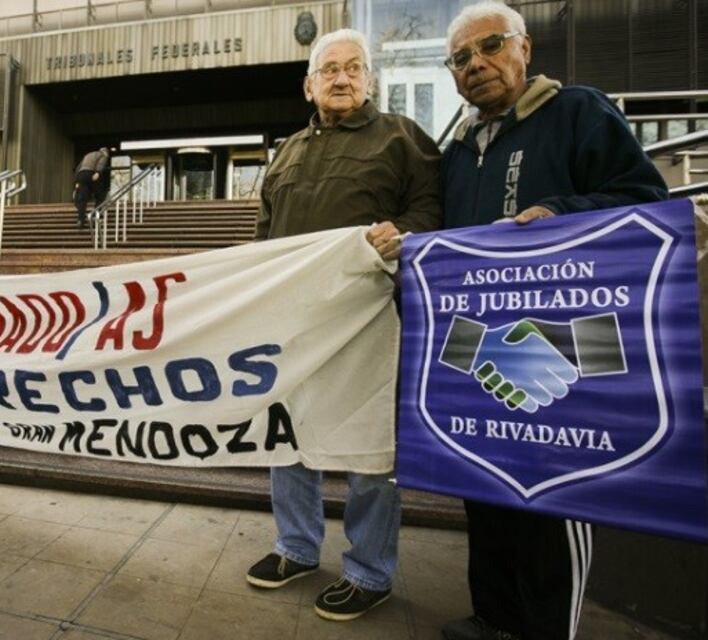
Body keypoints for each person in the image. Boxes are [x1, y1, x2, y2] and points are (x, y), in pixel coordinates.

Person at [437, 3, 668, 639]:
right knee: (483, 490)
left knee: (552, 500)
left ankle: (546, 630)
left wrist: (560, 213)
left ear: (525, 48)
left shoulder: (580, 112)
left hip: (563, 355)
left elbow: (645, 203)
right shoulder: (454, 150)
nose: (476, 65)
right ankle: (493, 617)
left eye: (489, 46)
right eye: (461, 58)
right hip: (481, 353)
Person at [247, 28, 442, 622]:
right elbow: (264, 233)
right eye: (329, 69)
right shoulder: (287, 151)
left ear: (369, 81)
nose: (341, 78)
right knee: (290, 440)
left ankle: (369, 571)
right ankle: (297, 547)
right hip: (295, 323)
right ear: (309, 85)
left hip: (369, 321)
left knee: (368, 452)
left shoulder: (403, 139)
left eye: (353, 68)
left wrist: (400, 234)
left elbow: (430, 212)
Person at [73, 146, 112, 229]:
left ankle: (80, 220)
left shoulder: (88, 155)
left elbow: (78, 168)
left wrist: (76, 181)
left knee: (82, 198)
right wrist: (98, 172)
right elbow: (101, 163)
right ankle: (95, 217)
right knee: (101, 196)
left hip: (81, 175)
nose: (107, 157)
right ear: (106, 152)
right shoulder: (103, 154)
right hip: (91, 174)